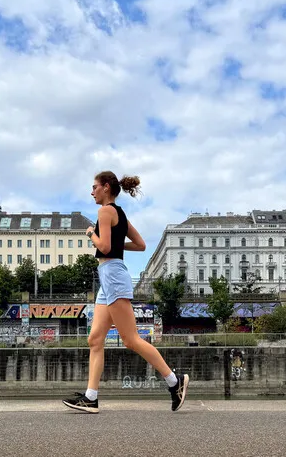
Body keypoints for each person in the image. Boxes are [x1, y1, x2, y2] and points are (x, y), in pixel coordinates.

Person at [62, 171, 189, 414]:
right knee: (95, 339)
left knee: (131, 339)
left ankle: (175, 382)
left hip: (112, 275)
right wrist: (114, 242)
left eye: (94, 187)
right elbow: (140, 245)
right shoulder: (119, 213)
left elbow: (104, 247)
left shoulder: (105, 212)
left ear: (106, 187)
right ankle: (91, 398)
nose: (92, 192)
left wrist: (90, 233)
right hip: (108, 277)